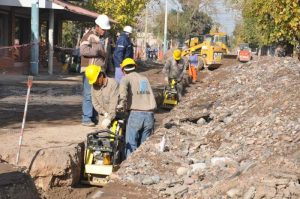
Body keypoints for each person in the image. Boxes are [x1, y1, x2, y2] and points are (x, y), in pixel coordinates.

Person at [118, 58, 156, 158]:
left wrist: (121, 106)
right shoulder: (144, 78)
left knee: (131, 145)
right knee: (144, 146)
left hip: (136, 114)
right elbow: (143, 94)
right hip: (149, 115)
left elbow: (123, 95)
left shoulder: (125, 79)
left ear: (123, 70)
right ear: (135, 67)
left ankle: (128, 169)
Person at [80, 14, 111, 126]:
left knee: (97, 95)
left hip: (100, 70)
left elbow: (108, 55)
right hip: (90, 70)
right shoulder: (88, 35)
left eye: (105, 29)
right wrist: (97, 51)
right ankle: (86, 118)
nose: (104, 31)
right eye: (103, 29)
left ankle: (93, 117)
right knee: (88, 94)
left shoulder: (106, 38)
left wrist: (108, 68)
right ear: (97, 26)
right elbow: (83, 50)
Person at [84, 64, 119, 129]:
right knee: (102, 136)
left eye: (96, 80)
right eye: (94, 81)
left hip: (116, 115)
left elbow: (114, 103)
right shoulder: (94, 87)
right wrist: (104, 113)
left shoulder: (113, 84)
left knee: (115, 137)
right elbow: (95, 103)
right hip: (104, 116)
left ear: (101, 75)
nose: (95, 83)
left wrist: (109, 118)